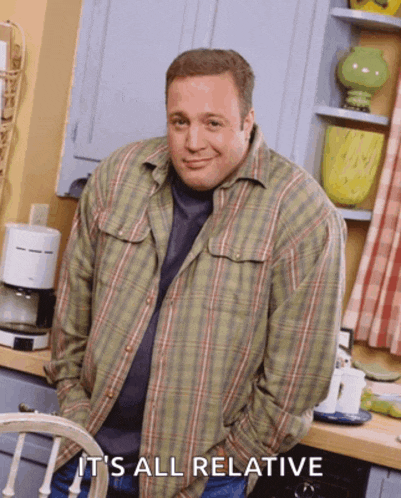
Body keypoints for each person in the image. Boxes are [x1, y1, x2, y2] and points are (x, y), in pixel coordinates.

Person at [45, 48, 346, 498]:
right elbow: (71, 315)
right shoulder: (117, 177)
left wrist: (226, 463)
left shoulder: (301, 214)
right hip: (85, 459)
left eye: (213, 123)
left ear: (247, 121)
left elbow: (296, 382)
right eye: (179, 121)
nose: (192, 142)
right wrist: (73, 405)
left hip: (201, 482)